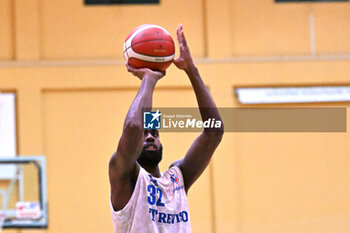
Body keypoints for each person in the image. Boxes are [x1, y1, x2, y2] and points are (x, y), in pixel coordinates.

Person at [109, 24, 224, 233]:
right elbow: (134, 125)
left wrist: (192, 71)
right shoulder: (125, 176)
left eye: (155, 133)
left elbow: (214, 130)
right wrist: (149, 79)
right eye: (145, 134)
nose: (150, 137)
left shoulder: (177, 179)